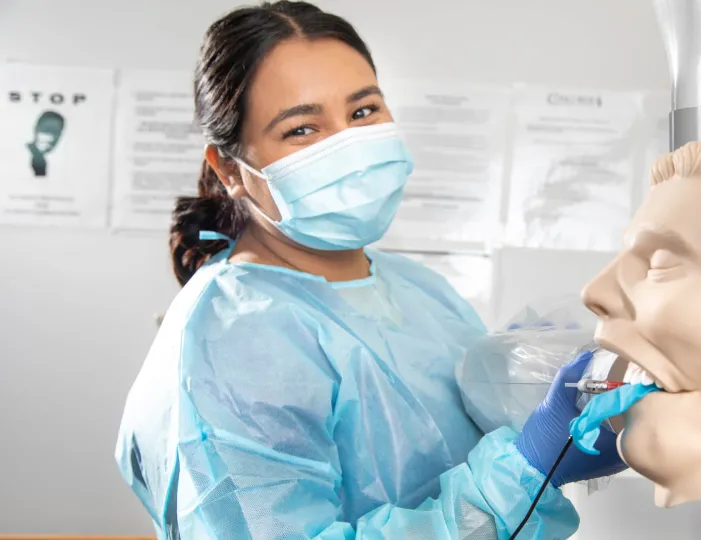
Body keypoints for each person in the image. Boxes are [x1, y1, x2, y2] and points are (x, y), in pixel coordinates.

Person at [115, 2, 626, 538]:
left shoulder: (418, 288)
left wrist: (523, 391)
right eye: (302, 129)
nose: (349, 146)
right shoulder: (231, 339)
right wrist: (525, 474)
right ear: (230, 169)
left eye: (362, 112)